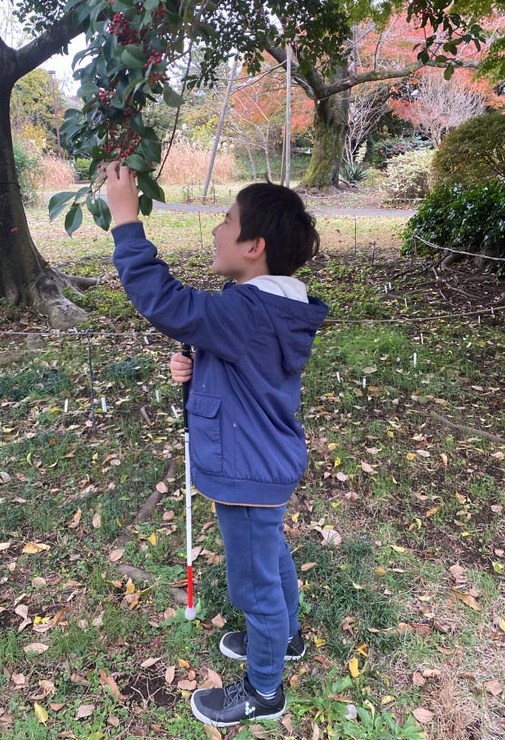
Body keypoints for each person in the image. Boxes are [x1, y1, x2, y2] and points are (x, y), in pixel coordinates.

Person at [105, 162, 329, 728]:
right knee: (270, 555)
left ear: (254, 246)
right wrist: (201, 363)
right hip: (261, 462)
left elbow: (169, 303)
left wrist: (126, 222)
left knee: (253, 584)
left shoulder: (248, 310)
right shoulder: (267, 309)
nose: (215, 230)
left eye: (226, 221)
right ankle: (288, 637)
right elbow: (245, 371)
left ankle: (264, 690)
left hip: (248, 471)